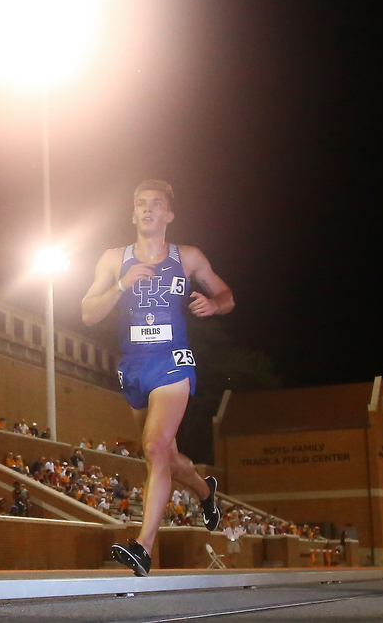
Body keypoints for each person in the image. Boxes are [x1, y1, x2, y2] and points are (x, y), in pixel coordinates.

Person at [83, 180, 233, 577]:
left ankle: (143, 547)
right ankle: (204, 491)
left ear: (169, 215)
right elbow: (87, 313)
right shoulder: (114, 259)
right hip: (134, 364)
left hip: (173, 361)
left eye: (156, 204)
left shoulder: (188, 257)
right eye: (141, 204)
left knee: (153, 447)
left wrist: (213, 305)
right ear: (133, 214)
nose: (148, 209)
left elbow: (227, 295)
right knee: (165, 455)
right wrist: (120, 285)